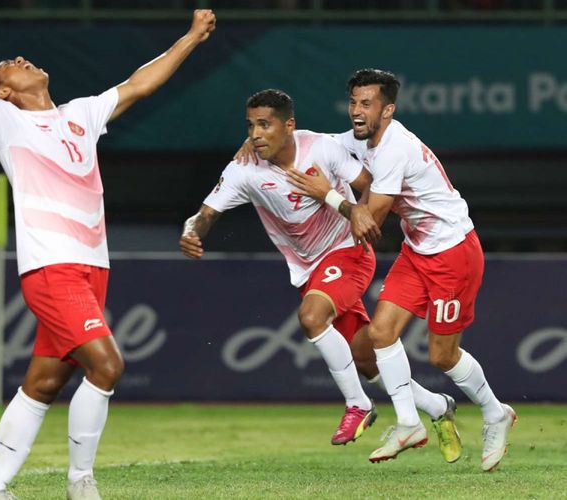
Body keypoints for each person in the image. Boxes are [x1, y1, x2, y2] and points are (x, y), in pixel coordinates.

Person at [0, 6, 216, 499]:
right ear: (4, 90)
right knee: (107, 366)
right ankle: (81, 484)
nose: (23, 58)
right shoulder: (4, 120)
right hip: (52, 268)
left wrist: (191, 38)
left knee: (43, 385)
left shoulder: (80, 115)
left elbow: (140, 84)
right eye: (10, 62)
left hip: (94, 267)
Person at [182, 89, 461, 457]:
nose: (255, 134)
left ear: (289, 126)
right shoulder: (243, 170)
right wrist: (190, 233)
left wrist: (352, 211)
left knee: (312, 317)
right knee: (365, 357)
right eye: (250, 126)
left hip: (348, 251)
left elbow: (369, 186)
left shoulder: (321, 149)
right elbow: (206, 214)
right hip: (308, 268)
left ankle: (357, 405)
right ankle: (438, 406)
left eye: (265, 125)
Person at [301, 68, 516, 470]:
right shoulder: (362, 139)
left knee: (442, 356)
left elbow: (369, 221)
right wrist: (263, 144)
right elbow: (315, 143)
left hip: (453, 253)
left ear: (388, 110)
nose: (356, 112)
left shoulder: (394, 147)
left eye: (367, 104)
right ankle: (407, 422)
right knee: (380, 334)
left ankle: (494, 412)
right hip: (417, 251)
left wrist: (325, 194)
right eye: (353, 102)